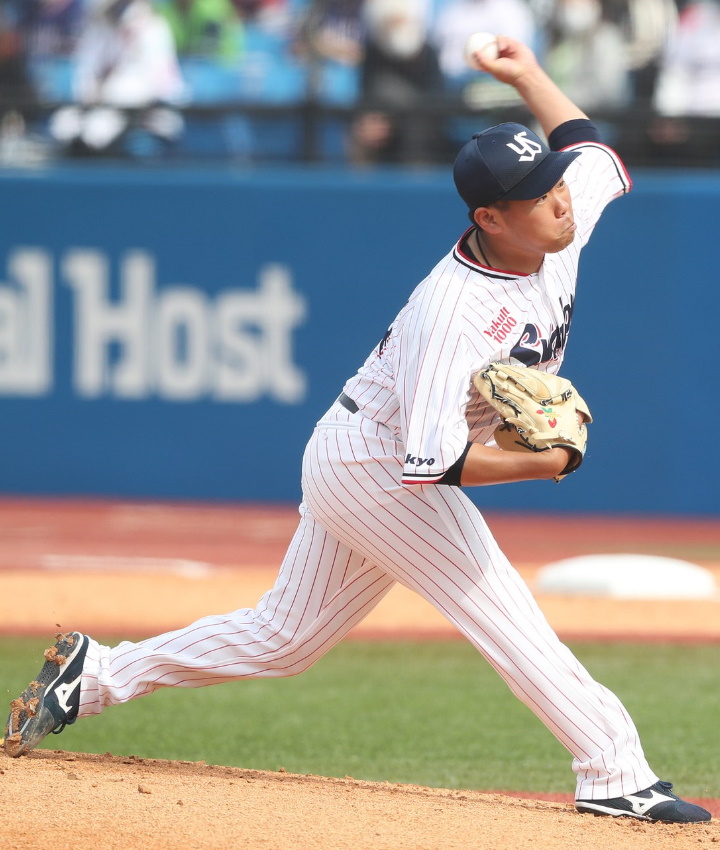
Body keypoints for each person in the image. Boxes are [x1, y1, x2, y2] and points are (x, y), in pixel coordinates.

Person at [3, 35, 712, 825]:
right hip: (376, 464)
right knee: (499, 605)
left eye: (554, 184)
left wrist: (527, 76)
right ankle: (614, 769)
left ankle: (94, 675)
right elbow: (434, 461)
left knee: (285, 639)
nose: (563, 199)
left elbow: (592, 151)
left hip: (352, 452)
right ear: (489, 217)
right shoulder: (455, 311)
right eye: (540, 193)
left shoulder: (554, 220)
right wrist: (542, 460)